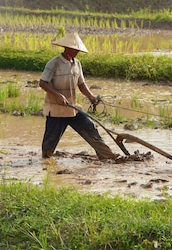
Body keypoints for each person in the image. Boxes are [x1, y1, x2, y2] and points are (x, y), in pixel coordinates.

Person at [39, 32, 119, 160]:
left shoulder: (77, 64)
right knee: (51, 140)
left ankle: (107, 156)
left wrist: (91, 96)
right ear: (67, 47)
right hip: (56, 110)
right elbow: (43, 82)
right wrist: (58, 95)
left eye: (78, 49)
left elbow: (81, 84)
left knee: (90, 128)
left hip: (73, 108)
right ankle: (46, 161)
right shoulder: (54, 63)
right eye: (75, 49)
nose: (77, 52)